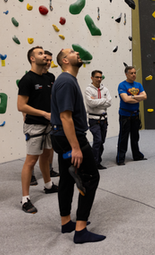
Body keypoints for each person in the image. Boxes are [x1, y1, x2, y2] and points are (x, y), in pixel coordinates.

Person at [51, 48, 105, 244]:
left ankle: (66, 223)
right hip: (70, 138)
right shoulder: (66, 81)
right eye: (72, 52)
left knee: (66, 178)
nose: (77, 53)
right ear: (65, 60)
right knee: (90, 178)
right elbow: (66, 117)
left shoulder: (67, 80)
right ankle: (81, 230)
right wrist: (76, 147)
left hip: (61, 136)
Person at [17, 46, 58, 214]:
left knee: (47, 156)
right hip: (34, 125)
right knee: (31, 161)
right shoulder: (27, 80)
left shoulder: (50, 77)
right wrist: (43, 114)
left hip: (49, 124)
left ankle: (48, 184)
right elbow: (21, 106)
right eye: (40, 54)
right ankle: (25, 198)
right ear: (32, 59)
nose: (45, 57)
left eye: (45, 54)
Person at [30, 51, 59, 186]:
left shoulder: (51, 77)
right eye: (46, 59)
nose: (48, 62)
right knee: (34, 151)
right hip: (35, 120)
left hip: (49, 118)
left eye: (50, 61)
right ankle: (31, 175)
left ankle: (49, 170)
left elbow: (52, 97)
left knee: (49, 148)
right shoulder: (31, 78)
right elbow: (25, 103)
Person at [116, 66, 147, 166]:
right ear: (126, 74)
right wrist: (138, 98)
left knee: (135, 137)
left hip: (135, 115)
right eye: (131, 73)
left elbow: (145, 96)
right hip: (125, 115)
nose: (134, 75)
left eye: (134, 73)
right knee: (123, 137)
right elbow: (126, 99)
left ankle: (137, 155)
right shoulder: (122, 85)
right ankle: (120, 158)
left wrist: (132, 96)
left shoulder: (138, 85)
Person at [85, 70, 112, 170]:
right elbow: (91, 103)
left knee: (102, 141)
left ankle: (96, 161)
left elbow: (109, 103)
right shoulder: (88, 90)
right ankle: (94, 163)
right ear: (92, 78)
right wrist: (103, 100)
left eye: (100, 77)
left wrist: (97, 101)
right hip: (94, 119)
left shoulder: (105, 89)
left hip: (104, 119)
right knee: (98, 140)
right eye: (97, 77)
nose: (99, 79)